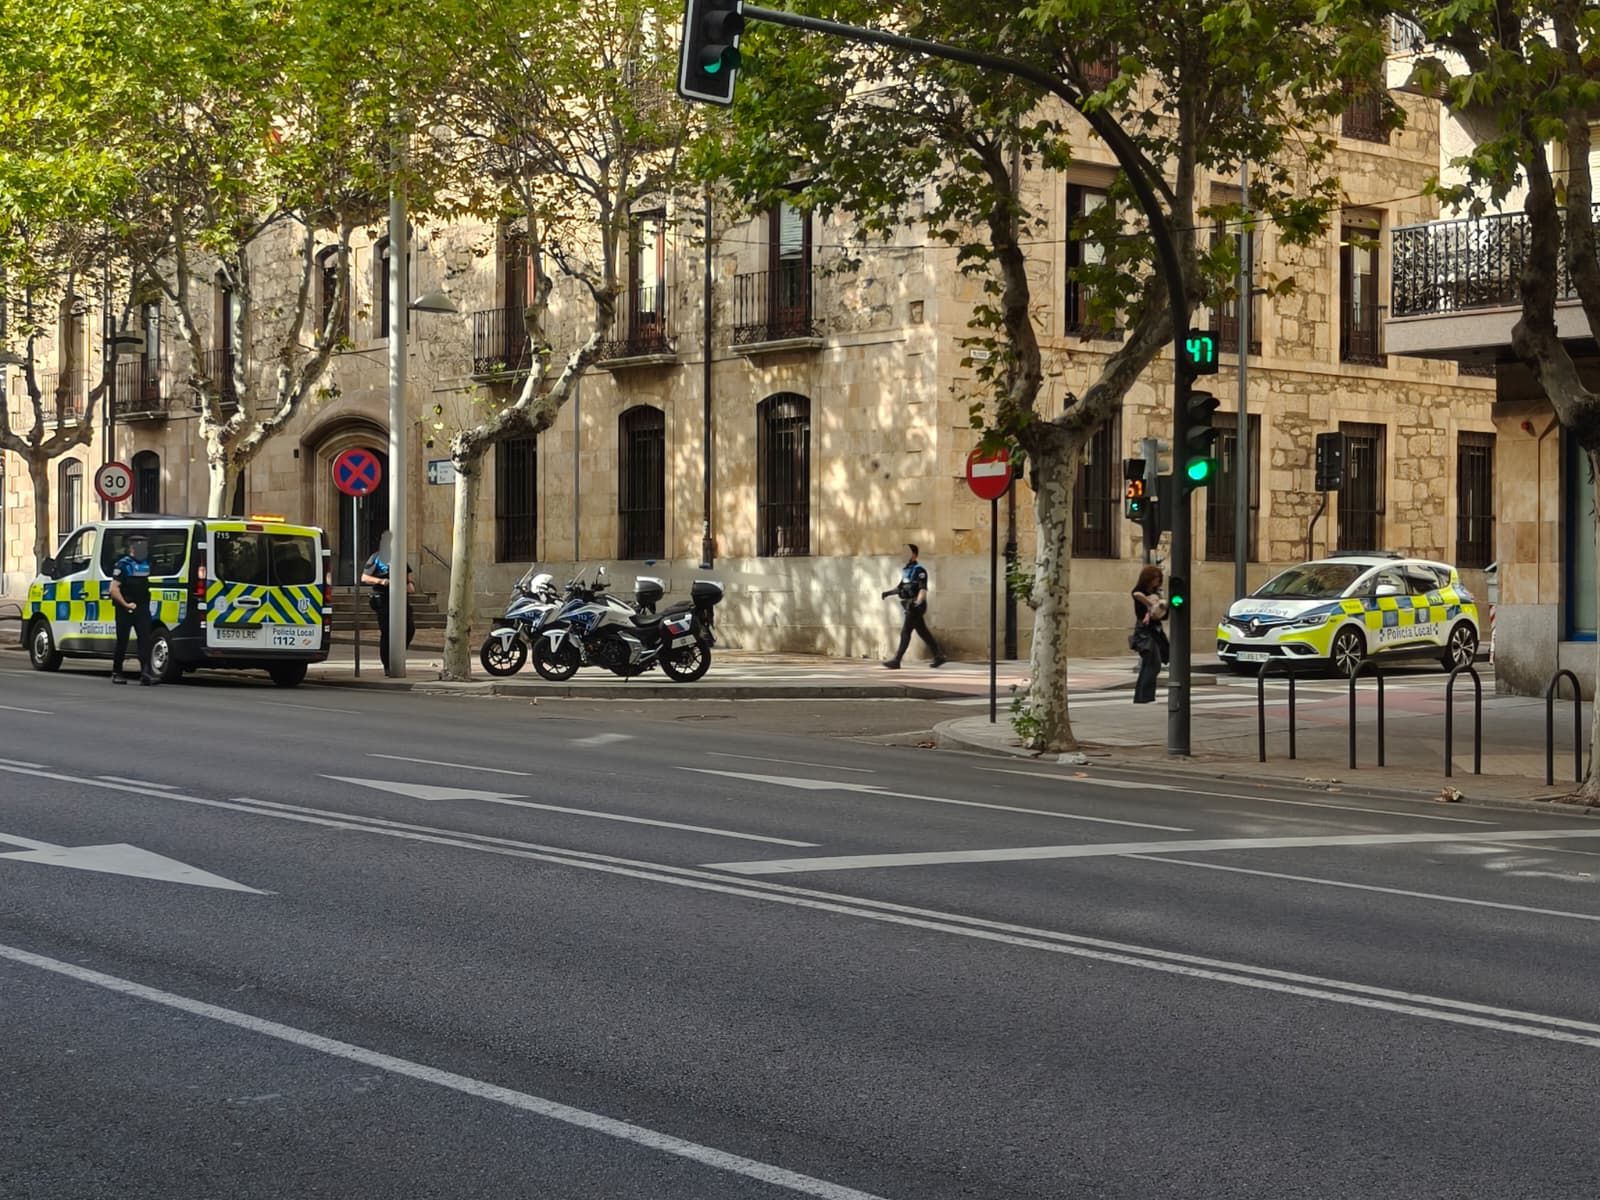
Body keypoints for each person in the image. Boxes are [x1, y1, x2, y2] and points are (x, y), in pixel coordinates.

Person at [882, 543, 947, 669]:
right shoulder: (906, 570)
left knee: (905, 632)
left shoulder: (920, 570)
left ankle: (897, 660)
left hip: (916, 606)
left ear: (914, 555)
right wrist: (888, 593)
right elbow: (900, 587)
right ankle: (939, 656)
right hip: (909, 604)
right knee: (923, 632)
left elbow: (923, 589)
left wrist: (917, 602)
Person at [360, 532, 416, 673]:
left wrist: (409, 584)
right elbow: (365, 577)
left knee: (409, 628)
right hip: (383, 597)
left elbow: (407, 576)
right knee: (387, 632)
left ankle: (398, 654)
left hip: (401, 598)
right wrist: (381, 581)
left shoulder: (400, 557)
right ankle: (388, 665)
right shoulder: (377, 558)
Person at [109, 532, 157, 686]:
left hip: (142, 607)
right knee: (122, 640)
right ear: (132, 547)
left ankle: (146, 673)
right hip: (125, 608)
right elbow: (114, 589)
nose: (144, 549)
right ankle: (117, 672)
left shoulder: (146, 563)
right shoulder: (123, 564)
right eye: (140, 546)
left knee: (145, 640)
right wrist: (125, 604)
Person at [1130, 563, 1170, 704]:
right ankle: (1144, 696)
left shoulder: (1157, 593)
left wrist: (1161, 609)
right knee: (1152, 663)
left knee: (1152, 664)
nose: (1156, 582)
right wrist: (1151, 607)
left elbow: (1164, 615)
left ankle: (1144, 696)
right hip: (1145, 631)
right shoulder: (1139, 592)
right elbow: (1140, 608)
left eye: (1159, 579)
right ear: (1147, 579)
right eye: (1154, 578)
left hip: (1156, 631)